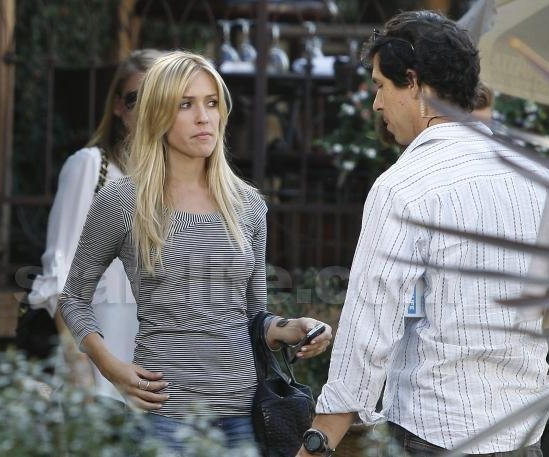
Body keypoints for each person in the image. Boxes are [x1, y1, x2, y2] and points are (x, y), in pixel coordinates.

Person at [297, 10, 549, 457]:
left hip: (436, 431)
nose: (377, 104)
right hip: (526, 433)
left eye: (381, 85)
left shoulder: (404, 187)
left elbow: (368, 329)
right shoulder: (536, 177)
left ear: (414, 83)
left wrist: (319, 441)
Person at [58, 50, 333, 452]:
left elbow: (252, 317)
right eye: (185, 104)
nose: (204, 117)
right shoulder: (122, 201)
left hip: (243, 416)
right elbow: (73, 298)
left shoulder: (248, 205)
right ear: (157, 114)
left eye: (212, 103)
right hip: (163, 415)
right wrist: (111, 368)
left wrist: (292, 328)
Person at [28, 49, 162, 401]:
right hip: (103, 377)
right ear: (117, 106)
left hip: (168, 383)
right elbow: (60, 276)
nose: (147, 110)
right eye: (135, 99)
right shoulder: (91, 167)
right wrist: (81, 369)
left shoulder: (181, 183)